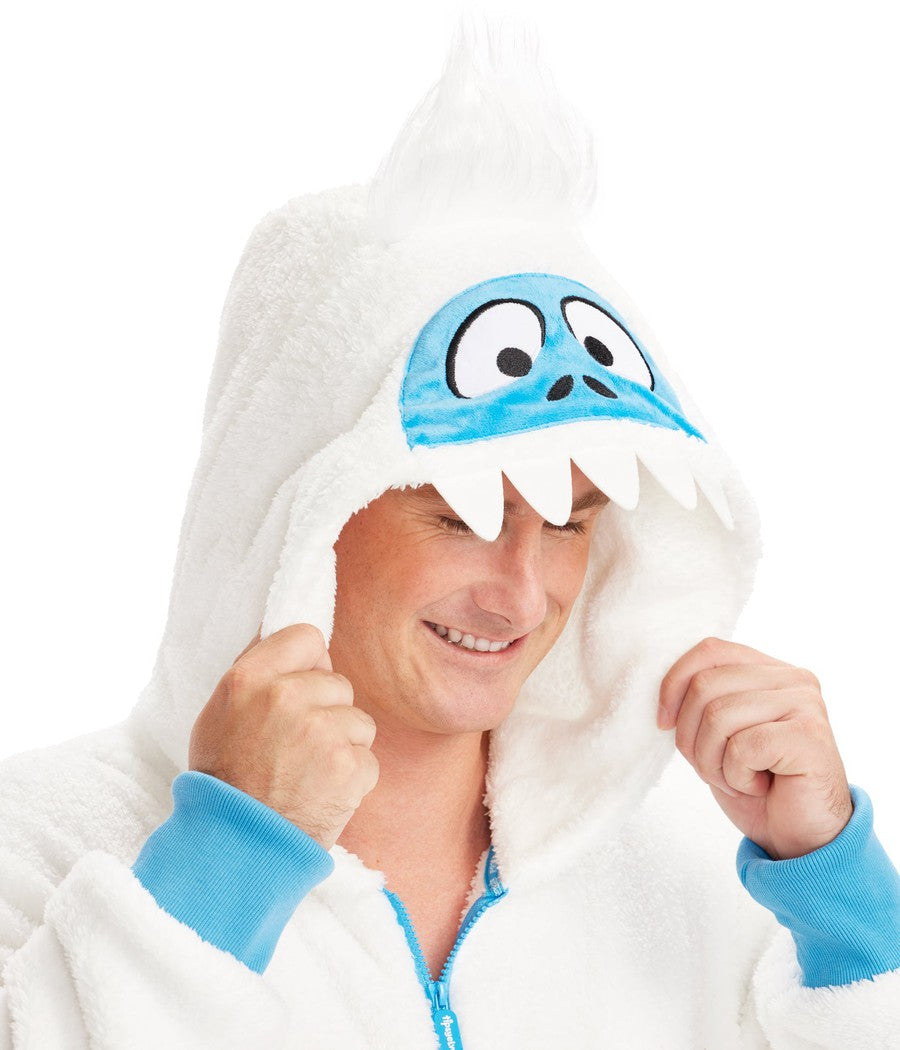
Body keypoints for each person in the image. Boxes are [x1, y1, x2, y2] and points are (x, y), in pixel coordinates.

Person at [1, 21, 898, 1050]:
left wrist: (849, 918)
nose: (521, 594)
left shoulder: (697, 874)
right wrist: (223, 868)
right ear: (297, 511)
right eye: (464, 518)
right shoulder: (42, 849)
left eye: (569, 523)